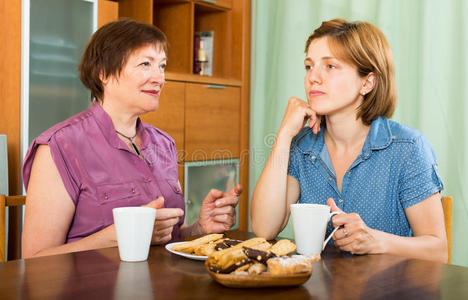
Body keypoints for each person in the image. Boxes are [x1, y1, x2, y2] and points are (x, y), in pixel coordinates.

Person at [21, 19, 241, 258]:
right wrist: (125, 233)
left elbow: (167, 240)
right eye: (145, 64)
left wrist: (200, 228)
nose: (160, 78)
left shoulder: (164, 144)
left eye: (162, 66)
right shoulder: (58, 147)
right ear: (103, 72)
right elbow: (34, 259)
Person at [251, 19, 447, 262]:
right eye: (309, 66)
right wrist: (283, 137)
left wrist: (375, 241)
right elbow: (264, 228)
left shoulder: (408, 148)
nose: (313, 77)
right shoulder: (301, 146)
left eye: (330, 66)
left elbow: (438, 250)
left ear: (367, 82)